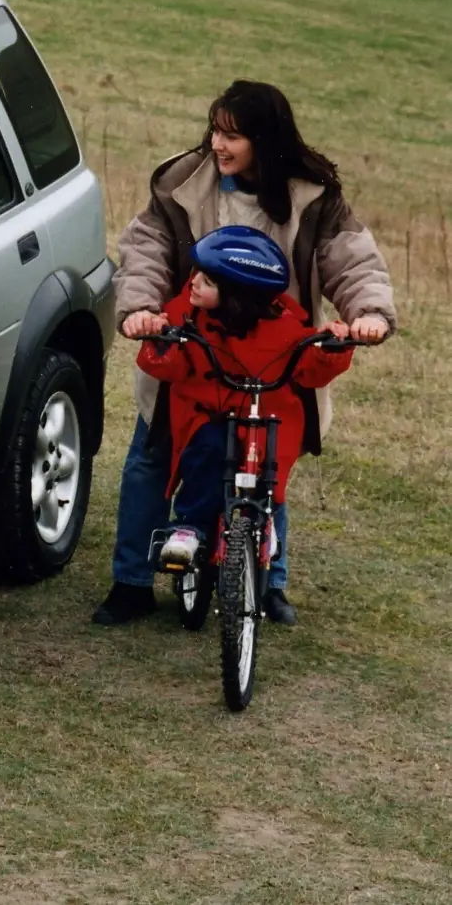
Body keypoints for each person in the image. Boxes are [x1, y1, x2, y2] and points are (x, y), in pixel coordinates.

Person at [96, 80, 395, 626]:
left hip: (270, 357)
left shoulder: (312, 194)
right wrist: (141, 308)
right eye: (215, 130)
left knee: (267, 467)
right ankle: (132, 581)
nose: (217, 144)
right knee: (152, 458)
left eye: (232, 135)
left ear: (265, 138)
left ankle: (267, 583)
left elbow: (351, 259)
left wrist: (368, 313)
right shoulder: (182, 182)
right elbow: (146, 250)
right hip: (191, 352)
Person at [138, 229, 355, 619]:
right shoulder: (186, 317)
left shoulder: (284, 327)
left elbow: (309, 364)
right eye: (196, 275)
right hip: (208, 417)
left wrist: (333, 345)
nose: (193, 282)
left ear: (237, 294)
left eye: (206, 280)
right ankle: (190, 528)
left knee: (270, 479)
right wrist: (158, 336)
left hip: (263, 419)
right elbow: (167, 363)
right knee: (206, 454)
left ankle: (266, 553)